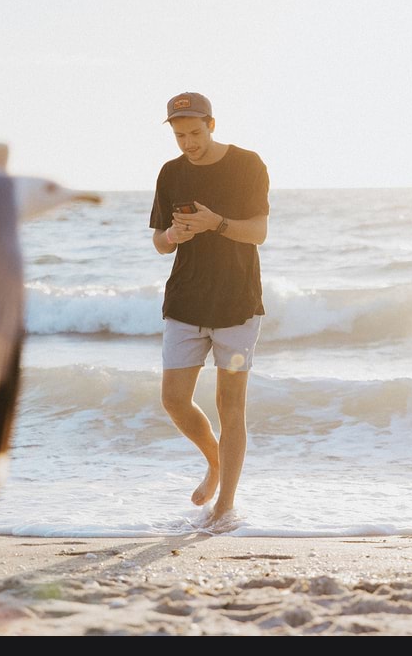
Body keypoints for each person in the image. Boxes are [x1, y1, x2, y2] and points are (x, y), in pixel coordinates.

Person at [149, 91, 270, 527]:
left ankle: (225, 507)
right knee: (174, 399)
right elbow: (159, 241)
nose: (188, 143)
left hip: (237, 304)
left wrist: (215, 223)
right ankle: (215, 463)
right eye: (180, 135)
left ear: (212, 125)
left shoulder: (247, 164)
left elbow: (258, 232)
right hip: (185, 302)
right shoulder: (171, 173)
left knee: (230, 406)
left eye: (195, 133)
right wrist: (174, 237)